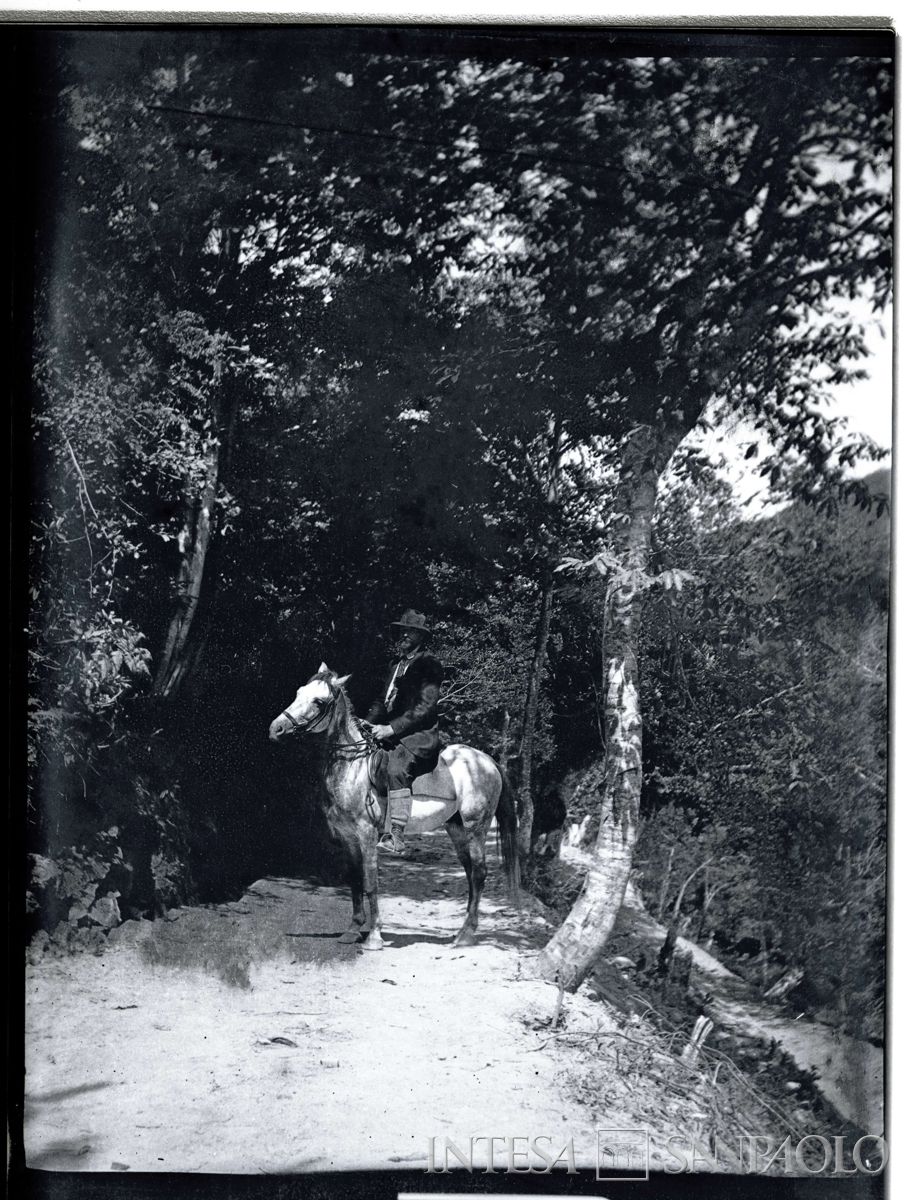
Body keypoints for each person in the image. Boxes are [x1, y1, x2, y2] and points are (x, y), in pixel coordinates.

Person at [365, 609, 443, 855]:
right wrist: (366, 723)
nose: (405, 635)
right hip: (389, 732)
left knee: (395, 768)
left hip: (417, 736)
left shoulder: (429, 665)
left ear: (421, 637)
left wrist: (391, 728)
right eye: (402, 631)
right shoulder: (394, 665)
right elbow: (382, 700)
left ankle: (395, 835)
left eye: (411, 632)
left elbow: (425, 707)